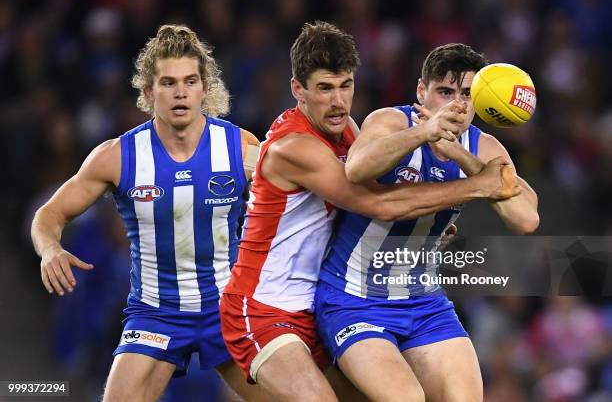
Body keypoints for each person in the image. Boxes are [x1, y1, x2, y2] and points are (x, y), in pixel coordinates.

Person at [219, 23, 520, 402]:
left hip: (315, 303)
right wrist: (479, 185)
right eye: (325, 88)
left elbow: (363, 210)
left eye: (345, 85)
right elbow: (378, 204)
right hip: (264, 306)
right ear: (298, 90)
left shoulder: (345, 130)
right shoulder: (295, 147)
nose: (338, 102)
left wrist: (423, 228)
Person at [31, 24, 267, 402]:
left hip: (229, 311)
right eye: (168, 82)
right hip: (157, 316)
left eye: (190, 81)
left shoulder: (240, 148)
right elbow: (49, 214)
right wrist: (50, 250)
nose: (180, 92)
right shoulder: (117, 157)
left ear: (204, 88)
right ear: (147, 92)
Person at [315, 43, 540, 402]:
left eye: (467, 94)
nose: (456, 104)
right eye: (445, 92)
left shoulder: (483, 147)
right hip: (354, 299)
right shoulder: (391, 120)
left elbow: (526, 218)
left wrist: (461, 157)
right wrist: (425, 132)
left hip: (424, 302)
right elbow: (356, 168)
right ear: (423, 92)